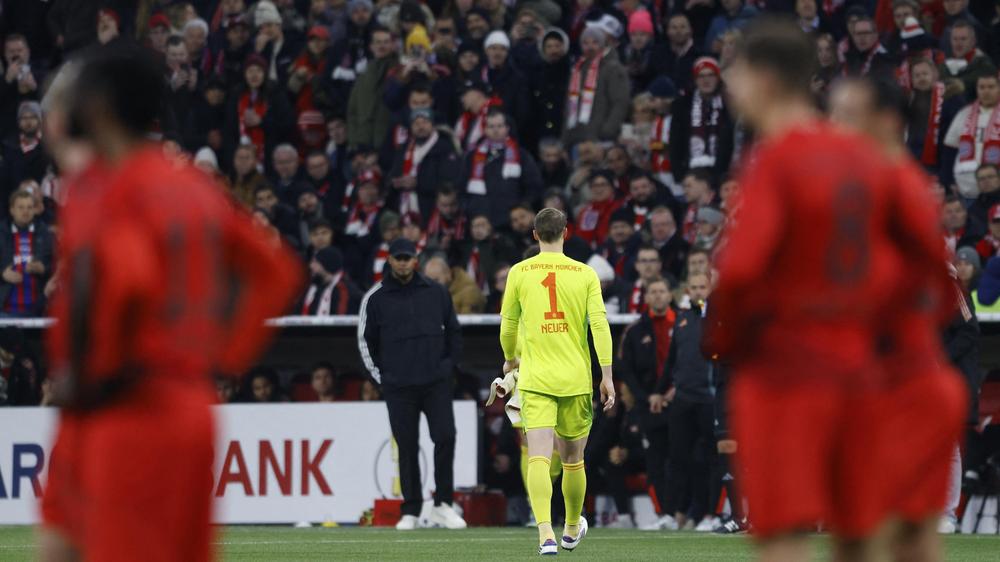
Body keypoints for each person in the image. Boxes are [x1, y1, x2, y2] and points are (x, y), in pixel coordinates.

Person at [39, 48, 303, 562]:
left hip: (122, 409)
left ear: (96, 109)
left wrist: (91, 375)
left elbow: (126, 279)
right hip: (188, 403)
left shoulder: (108, 192)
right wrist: (223, 356)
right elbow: (276, 271)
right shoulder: (190, 184)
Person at [708, 19, 957, 561]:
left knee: (784, 538)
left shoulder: (776, 158)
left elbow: (741, 272)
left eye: (737, 76)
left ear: (765, 79)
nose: (732, 89)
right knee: (869, 539)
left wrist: (726, 340)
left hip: (791, 370)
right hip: (866, 371)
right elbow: (929, 272)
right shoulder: (870, 162)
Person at [498, 207, 615, 554]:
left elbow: (507, 327)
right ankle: (570, 527)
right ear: (567, 232)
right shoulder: (585, 274)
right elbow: (599, 326)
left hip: (535, 380)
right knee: (573, 460)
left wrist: (509, 359)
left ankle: (545, 533)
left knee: (537, 457)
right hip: (575, 380)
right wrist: (606, 375)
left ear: (534, 234)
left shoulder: (519, 272)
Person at [358, 237, 468, 531]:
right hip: (399, 387)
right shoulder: (377, 299)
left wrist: (446, 369)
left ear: (415, 259)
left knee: (445, 437)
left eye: (408, 257)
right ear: (390, 260)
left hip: (436, 383)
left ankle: (443, 505)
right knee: (406, 446)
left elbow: (454, 334)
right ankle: (411, 509)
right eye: (399, 258)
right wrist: (385, 379)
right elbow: (367, 343)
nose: (403, 262)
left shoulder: (437, 293)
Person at [648, 272, 716, 532]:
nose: (699, 291)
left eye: (703, 287)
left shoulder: (718, 319)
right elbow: (672, 363)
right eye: (695, 287)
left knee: (710, 458)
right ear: (688, 290)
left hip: (709, 399)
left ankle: (711, 514)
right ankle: (671, 513)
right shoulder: (683, 319)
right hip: (684, 399)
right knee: (677, 458)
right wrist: (659, 390)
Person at [617, 277, 675, 527]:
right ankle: (664, 513)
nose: (659, 295)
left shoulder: (684, 322)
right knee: (655, 460)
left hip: (680, 400)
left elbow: (690, 362)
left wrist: (673, 390)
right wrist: (647, 397)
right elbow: (627, 371)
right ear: (647, 297)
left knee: (683, 458)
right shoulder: (636, 329)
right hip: (648, 405)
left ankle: (687, 513)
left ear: (670, 295)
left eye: (662, 290)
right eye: (654, 292)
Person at [463, 109, 543, 230]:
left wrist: (522, 208)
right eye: (491, 126)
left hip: (513, 224)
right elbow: (461, 189)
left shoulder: (521, 155)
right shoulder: (471, 157)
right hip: (481, 222)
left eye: (500, 126)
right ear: (484, 129)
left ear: (507, 128)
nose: (496, 130)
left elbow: (534, 186)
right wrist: (473, 211)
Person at [669, 58, 734, 183]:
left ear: (718, 78)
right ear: (695, 80)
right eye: (701, 76)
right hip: (690, 172)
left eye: (711, 75)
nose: (706, 80)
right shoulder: (682, 105)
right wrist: (679, 175)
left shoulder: (730, 104)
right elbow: (675, 142)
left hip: (723, 172)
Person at [944, 73, 1000, 202]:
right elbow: (949, 150)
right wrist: (949, 181)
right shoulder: (964, 113)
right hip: (967, 190)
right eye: (982, 87)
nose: (986, 91)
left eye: (991, 87)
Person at [0, 189, 53, 317]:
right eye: (21, 207)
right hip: (5, 309)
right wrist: (2, 273)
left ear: (35, 210)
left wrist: (43, 269)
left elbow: (58, 265)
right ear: (12, 210)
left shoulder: (46, 234)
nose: (26, 211)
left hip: (39, 309)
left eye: (30, 207)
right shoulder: (1, 233)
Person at [301, 246, 363, 315]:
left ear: (327, 264)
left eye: (315, 262)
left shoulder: (347, 291)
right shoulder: (314, 288)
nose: (311, 266)